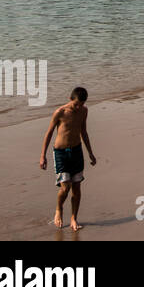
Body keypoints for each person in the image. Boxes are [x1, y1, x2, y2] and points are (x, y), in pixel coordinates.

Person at [38, 87, 97, 231]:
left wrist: (90, 152)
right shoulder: (60, 112)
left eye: (81, 104)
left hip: (77, 151)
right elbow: (49, 133)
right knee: (65, 187)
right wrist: (42, 155)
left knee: (77, 187)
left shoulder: (84, 111)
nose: (78, 107)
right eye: (76, 104)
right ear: (70, 99)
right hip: (61, 153)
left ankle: (73, 218)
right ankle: (59, 209)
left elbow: (84, 132)